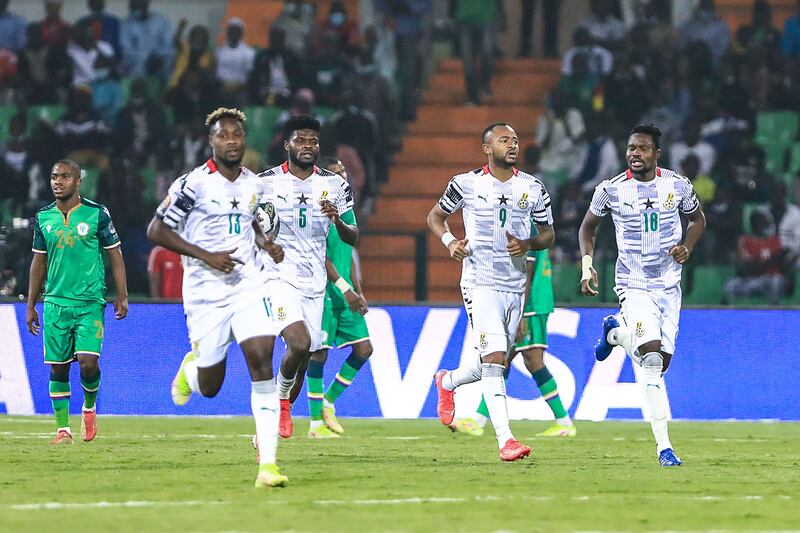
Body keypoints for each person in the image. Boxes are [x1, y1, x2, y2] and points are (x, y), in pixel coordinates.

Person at [146, 107, 289, 488]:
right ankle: (190, 370)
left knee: (262, 359)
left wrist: (266, 245)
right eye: (223, 135)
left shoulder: (253, 184)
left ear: (245, 140)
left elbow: (252, 221)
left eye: (237, 135)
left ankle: (268, 465)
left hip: (248, 285)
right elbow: (156, 229)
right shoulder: (193, 184)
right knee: (210, 387)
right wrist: (206, 255)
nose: (231, 141)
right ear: (211, 142)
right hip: (205, 295)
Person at [578, 124, 706, 467]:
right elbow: (588, 227)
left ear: (656, 154)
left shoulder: (676, 185)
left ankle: (615, 333)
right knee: (649, 359)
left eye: (643, 149)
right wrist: (587, 264)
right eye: (631, 148)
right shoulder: (611, 189)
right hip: (632, 282)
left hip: (668, 285)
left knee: (661, 363)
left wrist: (687, 247)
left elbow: (697, 220)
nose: (635, 153)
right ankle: (664, 448)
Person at [427, 122, 555, 461]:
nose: (512, 145)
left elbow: (548, 234)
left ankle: (448, 381)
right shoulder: (466, 183)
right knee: (496, 357)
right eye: (504, 140)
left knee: (499, 361)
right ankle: (506, 441)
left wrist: (527, 243)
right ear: (487, 147)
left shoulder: (533, 187)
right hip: (479, 282)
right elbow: (435, 217)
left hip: (514, 287)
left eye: (515, 140)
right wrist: (450, 241)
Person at [258, 115, 358, 440]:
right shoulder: (265, 183)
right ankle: (283, 406)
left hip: (315, 284)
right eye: (300, 140)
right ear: (286, 144)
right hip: (278, 277)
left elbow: (353, 236)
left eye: (313, 141)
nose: (307, 146)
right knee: (299, 344)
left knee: (302, 359)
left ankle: (273, 416)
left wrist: (337, 221)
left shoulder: (335, 185)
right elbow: (247, 224)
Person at [25, 159, 129, 445]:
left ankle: (89, 407)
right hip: (56, 303)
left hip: (89, 302)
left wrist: (122, 295)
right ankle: (63, 430)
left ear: (78, 181)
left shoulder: (97, 214)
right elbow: (39, 260)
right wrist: (31, 303)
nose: (58, 181)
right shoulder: (43, 217)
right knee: (58, 367)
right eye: (54, 176)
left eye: (65, 176)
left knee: (87, 363)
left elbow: (115, 254)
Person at [451, 232, 575, 438]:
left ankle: (564, 422)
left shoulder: (526, 224)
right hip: (534, 302)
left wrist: (520, 313)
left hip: (531, 305)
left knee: (532, 361)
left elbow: (528, 267)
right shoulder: (533, 223)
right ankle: (478, 421)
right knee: (504, 360)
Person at [286, 157, 372, 438]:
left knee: (364, 349)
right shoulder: (314, 210)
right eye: (335, 173)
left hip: (347, 293)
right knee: (318, 354)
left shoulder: (345, 212)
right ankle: (314, 424)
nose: (342, 177)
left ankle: (328, 401)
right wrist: (345, 289)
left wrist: (358, 290)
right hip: (324, 292)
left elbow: (352, 254)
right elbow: (319, 256)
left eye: (344, 172)